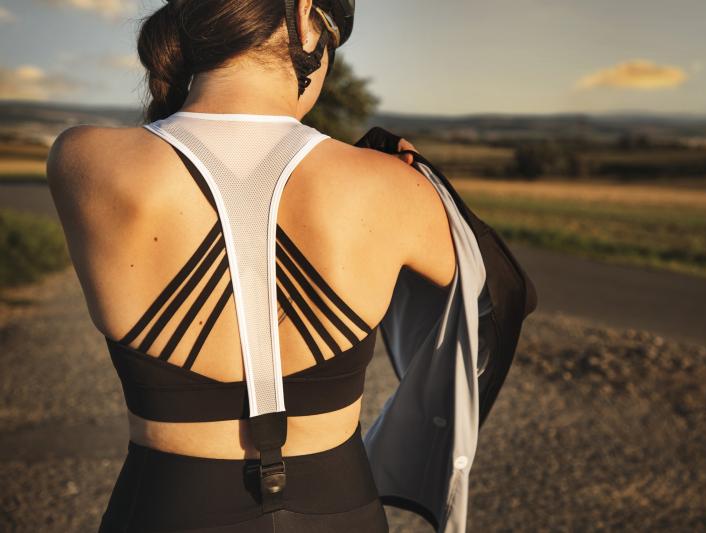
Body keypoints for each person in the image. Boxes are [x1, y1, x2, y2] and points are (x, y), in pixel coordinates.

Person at [45, 0, 456, 530]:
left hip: (165, 506)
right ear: (305, 18)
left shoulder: (82, 157)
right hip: (342, 504)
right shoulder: (394, 186)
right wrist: (403, 183)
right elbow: (487, 293)